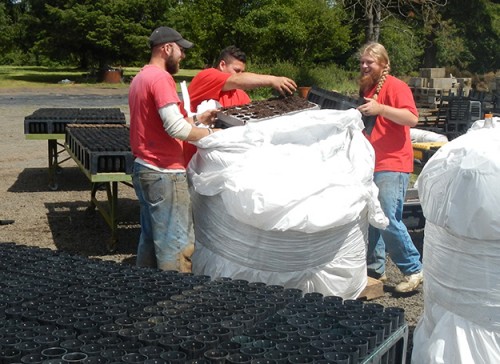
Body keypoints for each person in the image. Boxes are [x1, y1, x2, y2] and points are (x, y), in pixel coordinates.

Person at [129, 26, 219, 272]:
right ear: (166, 48)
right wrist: (213, 134)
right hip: (164, 173)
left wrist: (200, 119)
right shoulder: (160, 78)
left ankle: (144, 296)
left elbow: (159, 122)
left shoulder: (141, 77)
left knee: (150, 242)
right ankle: (174, 305)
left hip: (144, 169)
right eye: (181, 49)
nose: (183, 56)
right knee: (177, 248)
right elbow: (176, 128)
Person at [356, 42, 423, 293]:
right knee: (371, 216)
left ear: (383, 64)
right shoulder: (367, 87)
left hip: (393, 162)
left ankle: (414, 269)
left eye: (369, 62)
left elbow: (412, 118)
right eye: (362, 62)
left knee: (386, 218)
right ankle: (374, 269)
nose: (364, 66)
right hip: (371, 162)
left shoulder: (397, 86)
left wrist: (381, 108)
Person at [186, 45, 297, 112]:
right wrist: (273, 80)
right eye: (237, 71)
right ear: (222, 65)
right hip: (195, 148)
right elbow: (237, 80)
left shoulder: (239, 94)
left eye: (242, 72)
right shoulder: (206, 76)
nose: (240, 75)